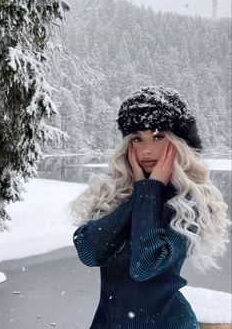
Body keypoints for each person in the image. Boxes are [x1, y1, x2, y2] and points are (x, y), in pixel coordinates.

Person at [70, 85, 231, 329]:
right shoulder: (117, 194)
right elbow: (90, 252)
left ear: (178, 143)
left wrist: (151, 190)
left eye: (157, 137)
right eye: (137, 138)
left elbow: (144, 266)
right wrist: (141, 193)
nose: (146, 149)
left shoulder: (188, 204)